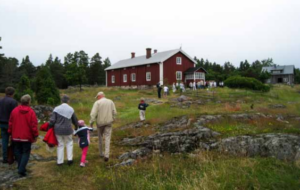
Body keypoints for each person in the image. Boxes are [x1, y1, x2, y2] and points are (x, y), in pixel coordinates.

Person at [8, 94, 38, 176]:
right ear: (29, 101)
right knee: (26, 152)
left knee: (17, 151)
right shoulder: (31, 112)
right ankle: (21, 169)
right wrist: (35, 135)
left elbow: (10, 123)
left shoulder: (14, 111)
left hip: (16, 136)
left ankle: (20, 167)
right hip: (26, 136)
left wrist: (10, 132)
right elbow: (33, 125)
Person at [49, 95, 78, 166]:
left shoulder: (56, 109)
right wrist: (76, 127)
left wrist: (50, 127)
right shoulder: (71, 109)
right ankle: (70, 159)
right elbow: (75, 120)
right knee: (69, 143)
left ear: (61, 101)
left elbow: (52, 120)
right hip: (68, 129)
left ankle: (60, 162)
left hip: (58, 130)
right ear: (68, 101)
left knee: (60, 145)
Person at [90, 92, 117, 162]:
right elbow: (114, 112)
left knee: (100, 138)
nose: (97, 98)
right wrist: (113, 118)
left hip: (100, 123)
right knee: (107, 138)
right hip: (109, 122)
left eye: (97, 97)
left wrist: (91, 123)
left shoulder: (97, 103)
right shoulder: (110, 101)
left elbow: (93, 114)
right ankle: (107, 155)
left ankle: (101, 153)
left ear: (99, 96)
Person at [0, 87, 18, 164]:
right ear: (13, 93)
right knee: (14, 140)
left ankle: (5, 157)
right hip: (10, 124)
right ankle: (14, 156)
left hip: (1, 123)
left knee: (4, 140)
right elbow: (15, 114)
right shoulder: (13, 102)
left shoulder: (1, 101)